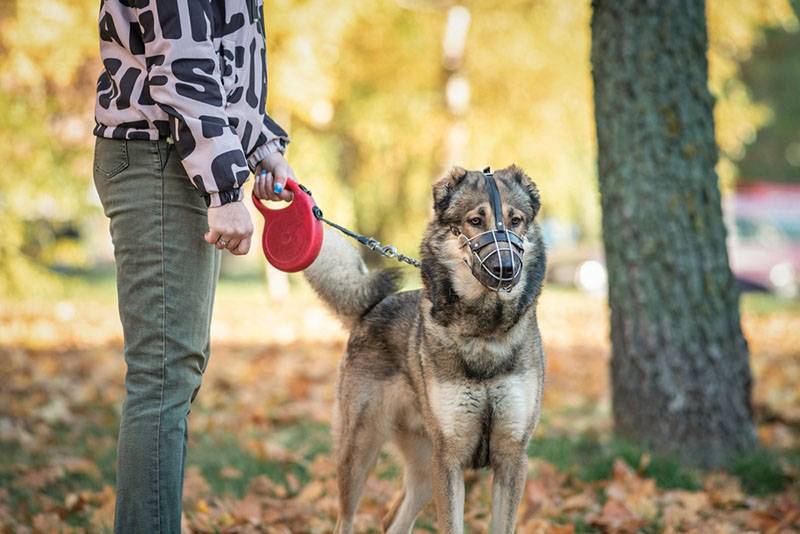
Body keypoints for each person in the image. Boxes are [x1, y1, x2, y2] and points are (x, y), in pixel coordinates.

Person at [92, 2, 292, 532]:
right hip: (157, 158)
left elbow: (227, 57)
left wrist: (261, 145)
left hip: (177, 157)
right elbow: (182, 61)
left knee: (173, 374)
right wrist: (225, 185)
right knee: (162, 378)